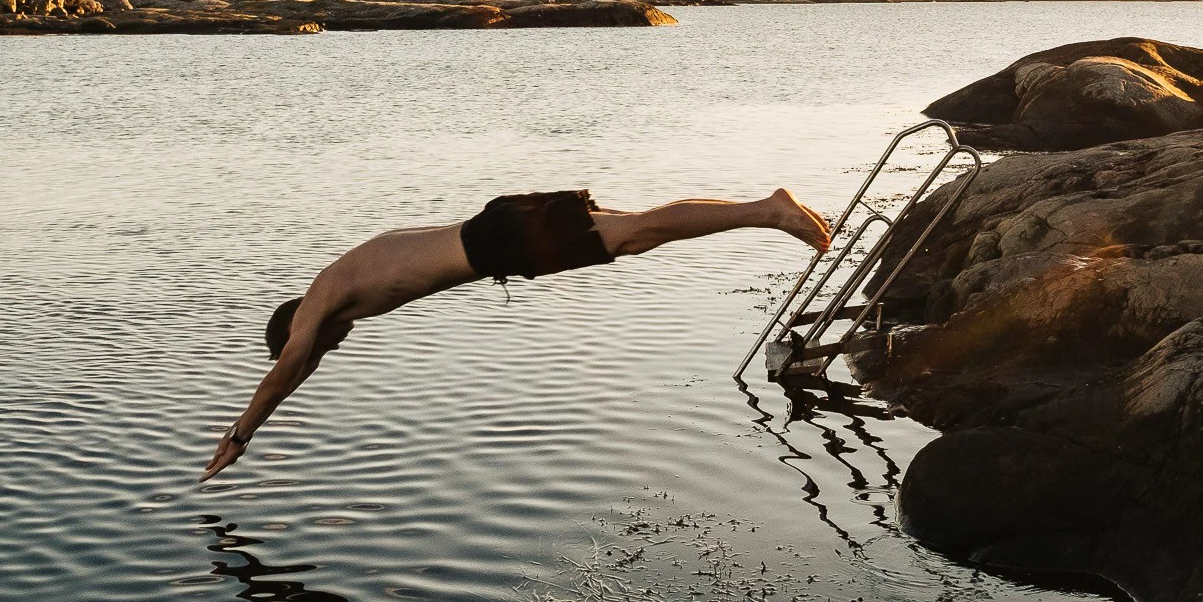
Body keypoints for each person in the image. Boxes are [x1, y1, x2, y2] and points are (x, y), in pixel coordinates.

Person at [203, 188, 832, 478]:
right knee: (638, 232)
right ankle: (761, 209)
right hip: (497, 225)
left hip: (497, 242)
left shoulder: (319, 300)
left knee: (636, 233)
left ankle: (767, 211)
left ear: (296, 327)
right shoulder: (337, 288)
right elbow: (302, 362)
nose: (327, 351)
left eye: (318, 347)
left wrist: (240, 435)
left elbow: (289, 367)